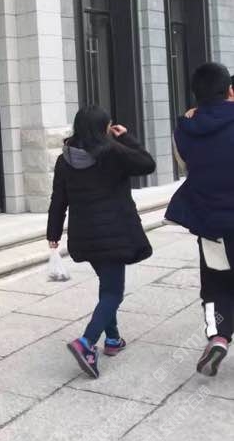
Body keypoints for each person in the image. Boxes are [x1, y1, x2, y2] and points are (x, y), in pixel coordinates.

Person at [47, 106, 157, 378]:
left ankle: (113, 339)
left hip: (85, 235)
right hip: (114, 233)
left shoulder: (65, 159)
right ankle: (86, 342)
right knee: (113, 293)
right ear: (103, 128)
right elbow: (147, 164)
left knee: (107, 286)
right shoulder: (112, 153)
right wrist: (125, 138)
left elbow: (58, 200)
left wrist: (53, 234)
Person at [166, 62, 234, 377]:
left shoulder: (184, 129)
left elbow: (184, 167)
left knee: (215, 285)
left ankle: (217, 337)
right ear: (229, 90)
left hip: (211, 227)